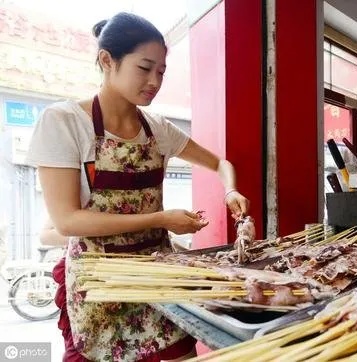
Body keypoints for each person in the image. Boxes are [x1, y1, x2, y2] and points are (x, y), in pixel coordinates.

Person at [25, 12, 250, 362]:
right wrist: (159, 219)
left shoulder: (157, 128)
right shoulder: (65, 122)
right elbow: (69, 221)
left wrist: (230, 190)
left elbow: (221, 164)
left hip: (159, 277)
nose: (154, 81)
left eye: (161, 71)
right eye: (144, 68)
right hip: (101, 281)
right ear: (106, 60)